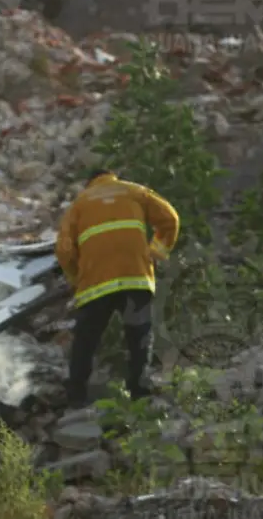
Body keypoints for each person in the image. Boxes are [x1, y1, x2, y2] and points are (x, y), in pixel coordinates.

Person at [55, 169, 180, 408]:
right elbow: (170, 219)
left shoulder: (80, 203)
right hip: (136, 278)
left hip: (95, 285)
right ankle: (140, 394)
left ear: (89, 183)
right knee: (139, 336)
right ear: (113, 177)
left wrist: (75, 277)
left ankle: (77, 397)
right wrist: (156, 252)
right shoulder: (134, 191)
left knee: (86, 341)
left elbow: (63, 250)